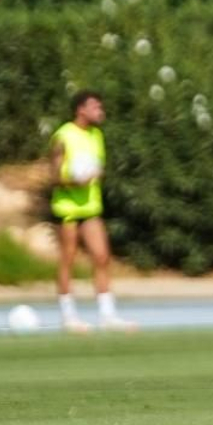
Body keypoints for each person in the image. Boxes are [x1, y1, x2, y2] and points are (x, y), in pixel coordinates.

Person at [49, 90, 134, 334]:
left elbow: (97, 165)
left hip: (91, 207)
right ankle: (68, 315)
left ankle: (108, 315)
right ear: (81, 110)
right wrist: (75, 182)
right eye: (95, 107)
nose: (101, 112)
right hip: (67, 208)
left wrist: (96, 175)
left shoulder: (97, 135)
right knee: (68, 259)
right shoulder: (63, 136)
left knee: (102, 256)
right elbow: (54, 176)